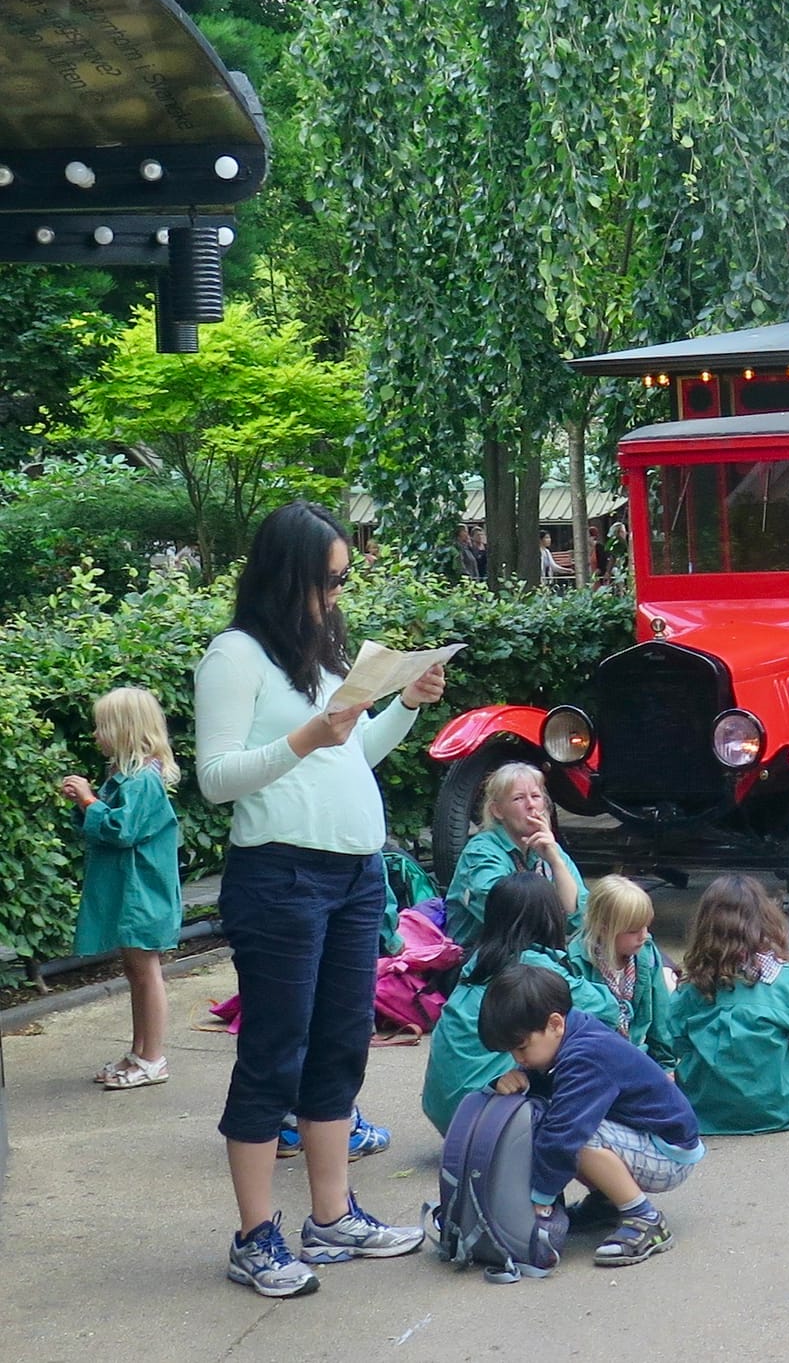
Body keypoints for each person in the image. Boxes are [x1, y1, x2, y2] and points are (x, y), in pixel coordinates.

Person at [194, 499, 445, 1297]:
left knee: (340, 1042)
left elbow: (353, 756)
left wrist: (404, 704)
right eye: (327, 579)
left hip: (352, 874)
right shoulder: (235, 656)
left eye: (343, 578)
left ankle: (330, 1214)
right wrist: (305, 736)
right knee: (274, 1051)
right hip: (280, 876)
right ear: (287, 574)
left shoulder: (320, 651)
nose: (337, 592)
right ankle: (253, 1234)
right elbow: (214, 778)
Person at [479, 962, 703, 1267]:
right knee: (560, 1124)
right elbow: (554, 1087)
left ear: (555, 1024)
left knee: (572, 1134)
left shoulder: (586, 1056)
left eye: (521, 1048)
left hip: (669, 1153)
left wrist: (539, 1201)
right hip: (647, 1138)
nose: (518, 1059)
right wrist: (524, 1079)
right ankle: (607, 1201)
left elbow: (564, 1133)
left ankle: (646, 1219)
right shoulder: (571, 1034)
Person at [422, 871, 620, 1134]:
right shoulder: (533, 965)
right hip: (491, 1114)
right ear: (549, 917)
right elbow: (607, 1009)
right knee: (568, 1027)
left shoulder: (478, 959)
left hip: (449, 1112)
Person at [59, 686, 182, 1091]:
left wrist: (88, 801)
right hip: (135, 894)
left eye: (101, 727)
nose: (96, 735)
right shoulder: (126, 777)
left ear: (124, 730)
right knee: (135, 971)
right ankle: (139, 1051)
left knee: (146, 972)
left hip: (143, 895)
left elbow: (120, 830)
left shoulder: (142, 781)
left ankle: (153, 1057)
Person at [659, 874, 789, 1135]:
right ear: (765, 921)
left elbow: (676, 1039)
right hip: (780, 1106)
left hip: (707, 1111)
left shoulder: (692, 987)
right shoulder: (783, 979)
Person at [445, 761, 587, 946]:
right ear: (498, 811)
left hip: (537, 954)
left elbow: (577, 917)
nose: (531, 805)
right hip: (483, 959)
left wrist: (555, 862)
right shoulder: (480, 852)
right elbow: (509, 919)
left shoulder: (550, 847)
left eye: (536, 796)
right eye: (518, 798)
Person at [569, 874, 678, 1072]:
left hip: (638, 1057)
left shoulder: (646, 954)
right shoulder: (575, 964)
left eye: (646, 925)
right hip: (596, 1064)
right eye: (633, 930)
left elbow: (661, 1018)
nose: (644, 935)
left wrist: (666, 1066)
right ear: (604, 928)